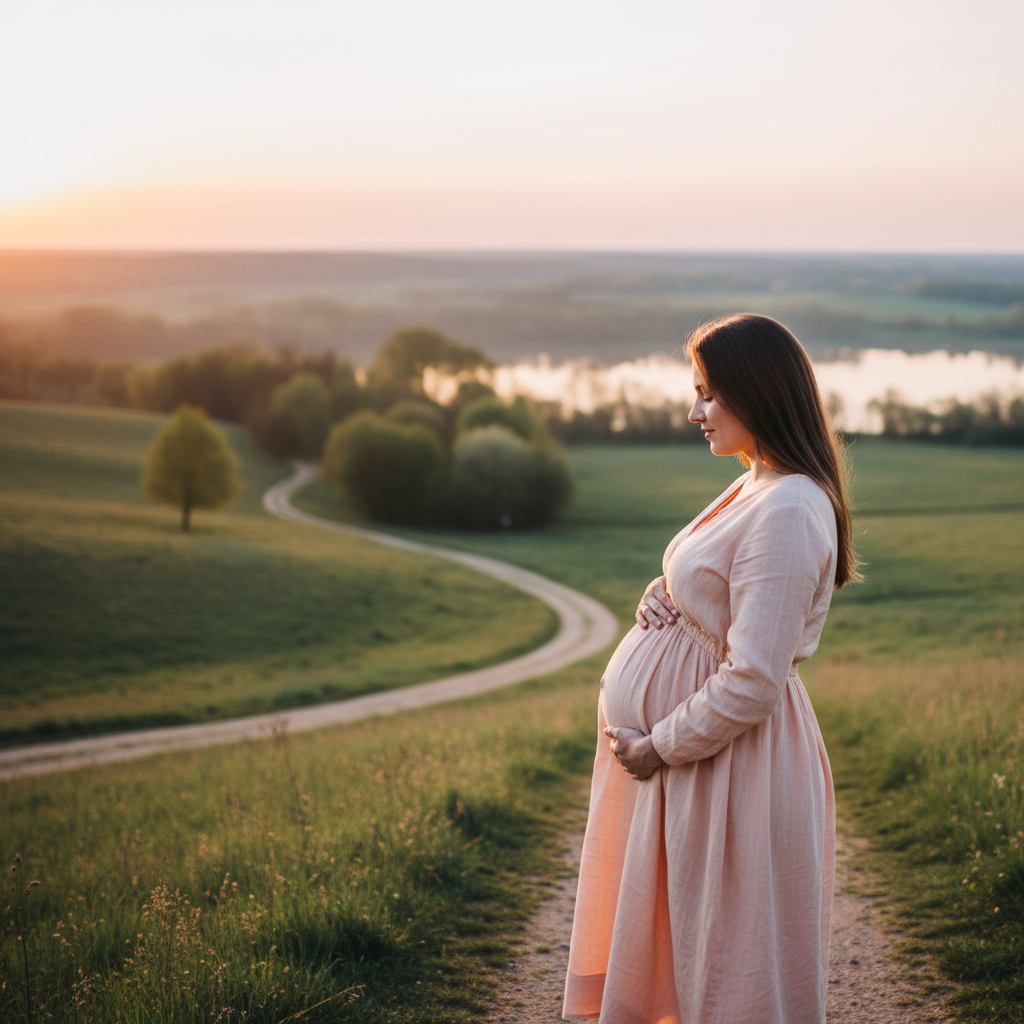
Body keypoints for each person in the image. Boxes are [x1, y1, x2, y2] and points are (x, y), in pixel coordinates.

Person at [562, 313, 859, 1024]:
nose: (695, 412)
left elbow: (754, 678)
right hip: (702, 768)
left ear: (758, 393)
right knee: (690, 952)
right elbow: (722, 584)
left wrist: (659, 744)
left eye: (709, 395)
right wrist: (670, 594)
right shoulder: (758, 479)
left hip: (732, 769)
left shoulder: (790, 507)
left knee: (728, 965)